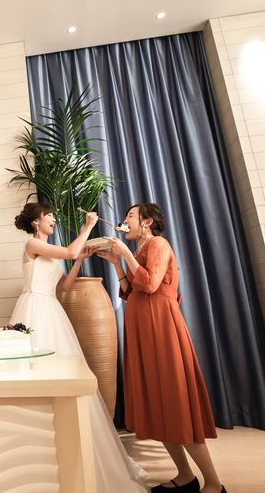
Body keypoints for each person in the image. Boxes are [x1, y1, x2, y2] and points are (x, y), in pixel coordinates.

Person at [10, 202, 148, 493]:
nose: (53, 219)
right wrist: (87, 227)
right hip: (34, 311)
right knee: (38, 375)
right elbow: (71, 251)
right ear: (35, 222)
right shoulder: (32, 244)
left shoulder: (50, 251)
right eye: (48, 216)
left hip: (51, 309)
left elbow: (65, 286)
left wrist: (78, 260)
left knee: (64, 376)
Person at [97, 203, 225, 493]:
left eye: (130, 216)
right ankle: (185, 476)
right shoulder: (139, 251)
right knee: (159, 404)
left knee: (175, 403)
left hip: (162, 329)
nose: (124, 220)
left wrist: (124, 253)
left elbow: (151, 284)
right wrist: (117, 263)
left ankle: (214, 483)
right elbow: (130, 291)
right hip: (144, 331)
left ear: (146, 222)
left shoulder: (158, 244)